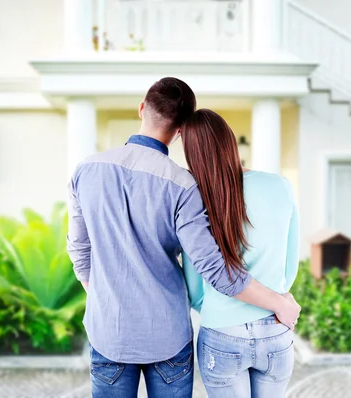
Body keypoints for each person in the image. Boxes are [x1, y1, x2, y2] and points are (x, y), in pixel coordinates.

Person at [66, 78, 301, 398]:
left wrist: (105, 299)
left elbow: (80, 250)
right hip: (168, 338)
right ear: (179, 131)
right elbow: (214, 269)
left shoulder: (86, 170)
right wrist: (278, 301)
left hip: (110, 333)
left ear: (141, 109)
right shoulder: (183, 185)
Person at [182, 109, 300, 397]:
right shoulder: (279, 186)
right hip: (274, 325)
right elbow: (290, 266)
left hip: (221, 333)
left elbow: (195, 284)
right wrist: (277, 298)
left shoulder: (196, 198)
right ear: (230, 142)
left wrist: (215, 308)